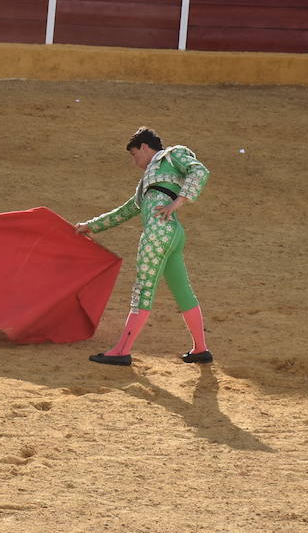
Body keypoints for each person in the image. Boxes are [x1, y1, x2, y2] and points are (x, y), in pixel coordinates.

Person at [76, 128, 211, 367]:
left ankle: (121, 351)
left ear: (145, 147)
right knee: (182, 291)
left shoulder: (172, 154)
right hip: (171, 234)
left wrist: (178, 203)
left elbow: (199, 170)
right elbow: (126, 211)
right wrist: (91, 226)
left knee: (143, 291)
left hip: (158, 233)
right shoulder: (147, 183)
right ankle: (200, 349)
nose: (134, 161)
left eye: (134, 154)